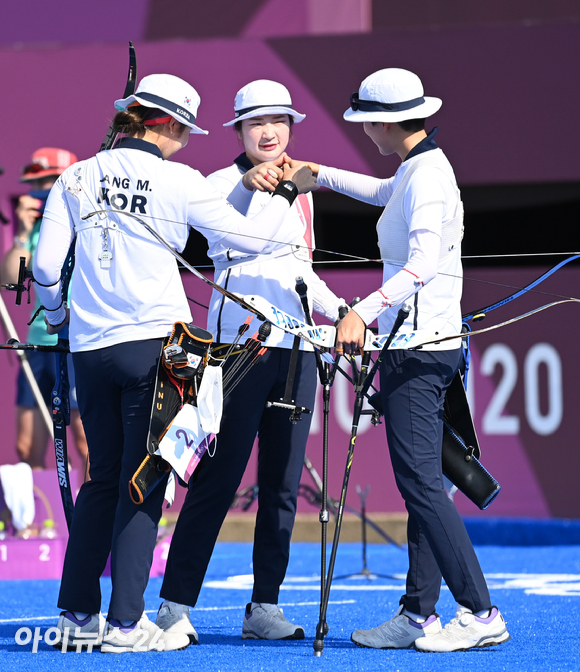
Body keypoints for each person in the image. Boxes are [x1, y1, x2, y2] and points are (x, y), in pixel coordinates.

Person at [32, 73, 316, 654]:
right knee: (145, 481)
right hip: (155, 351)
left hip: (89, 350)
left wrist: (57, 315)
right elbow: (253, 241)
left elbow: (42, 269)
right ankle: (126, 625)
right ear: (166, 125)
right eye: (185, 131)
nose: (186, 142)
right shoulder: (180, 179)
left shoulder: (76, 176)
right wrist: (287, 195)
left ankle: (77, 616)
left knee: (102, 480)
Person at [291, 68, 510, 652]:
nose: (364, 132)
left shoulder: (430, 176)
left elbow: (422, 264)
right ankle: (418, 613)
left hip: (419, 353)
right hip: (416, 349)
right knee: (426, 484)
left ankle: (481, 613)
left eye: (366, 123)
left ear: (387, 122)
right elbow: (381, 192)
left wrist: (360, 311)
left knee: (420, 486)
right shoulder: (416, 168)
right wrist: (317, 177)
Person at [157, 80, 345, 642]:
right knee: (217, 478)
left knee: (283, 487)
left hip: (297, 351)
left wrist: (346, 313)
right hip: (240, 349)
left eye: (280, 121)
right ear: (238, 129)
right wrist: (254, 188)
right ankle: (174, 604)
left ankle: (264, 605)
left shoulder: (302, 189)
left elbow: (300, 269)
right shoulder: (217, 184)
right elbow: (245, 245)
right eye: (257, 122)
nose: (269, 132)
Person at [0, 148, 89, 476]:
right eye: (34, 184)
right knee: (27, 445)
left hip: (75, 344)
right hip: (37, 345)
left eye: (48, 182)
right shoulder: (33, 228)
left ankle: (92, 521)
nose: (39, 191)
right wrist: (22, 234)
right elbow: (10, 282)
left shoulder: (84, 223)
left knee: (85, 440)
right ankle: (41, 522)